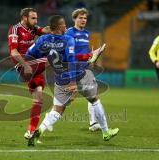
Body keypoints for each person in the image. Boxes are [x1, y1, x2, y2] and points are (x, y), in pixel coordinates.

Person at [25, 15, 119, 146]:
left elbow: (29, 55)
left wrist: (45, 63)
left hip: (59, 80)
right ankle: (105, 132)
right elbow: (72, 60)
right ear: (58, 27)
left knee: (57, 110)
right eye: (63, 24)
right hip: (78, 75)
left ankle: (39, 130)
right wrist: (73, 82)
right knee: (95, 99)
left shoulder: (42, 40)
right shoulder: (68, 39)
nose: (65, 26)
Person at [7, 8, 50, 139]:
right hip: (23, 65)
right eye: (33, 18)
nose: (36, 21)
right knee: (55, 56)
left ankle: (30, 131)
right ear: (25, 18)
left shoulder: (33, 28)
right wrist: (25, 65)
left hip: (34, 64)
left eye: (36, 18)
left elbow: (45, 31)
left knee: (38, 97)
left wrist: (57, 27)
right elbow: (13, 52)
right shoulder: (15, 30)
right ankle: (83, 60)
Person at [65, 8, 101, 132]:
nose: (83, 20)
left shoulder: (86, 33)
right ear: (74, 19)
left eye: (85, 18)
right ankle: (49, 119)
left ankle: (93, 123)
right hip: (71, 70)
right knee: (65, 102)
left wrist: (90, 59)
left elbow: (84, 53)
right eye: (80, 17)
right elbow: (71, 55)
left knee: (94, 96)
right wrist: (88, 56)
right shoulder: (69, 33)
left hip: (84, 70)